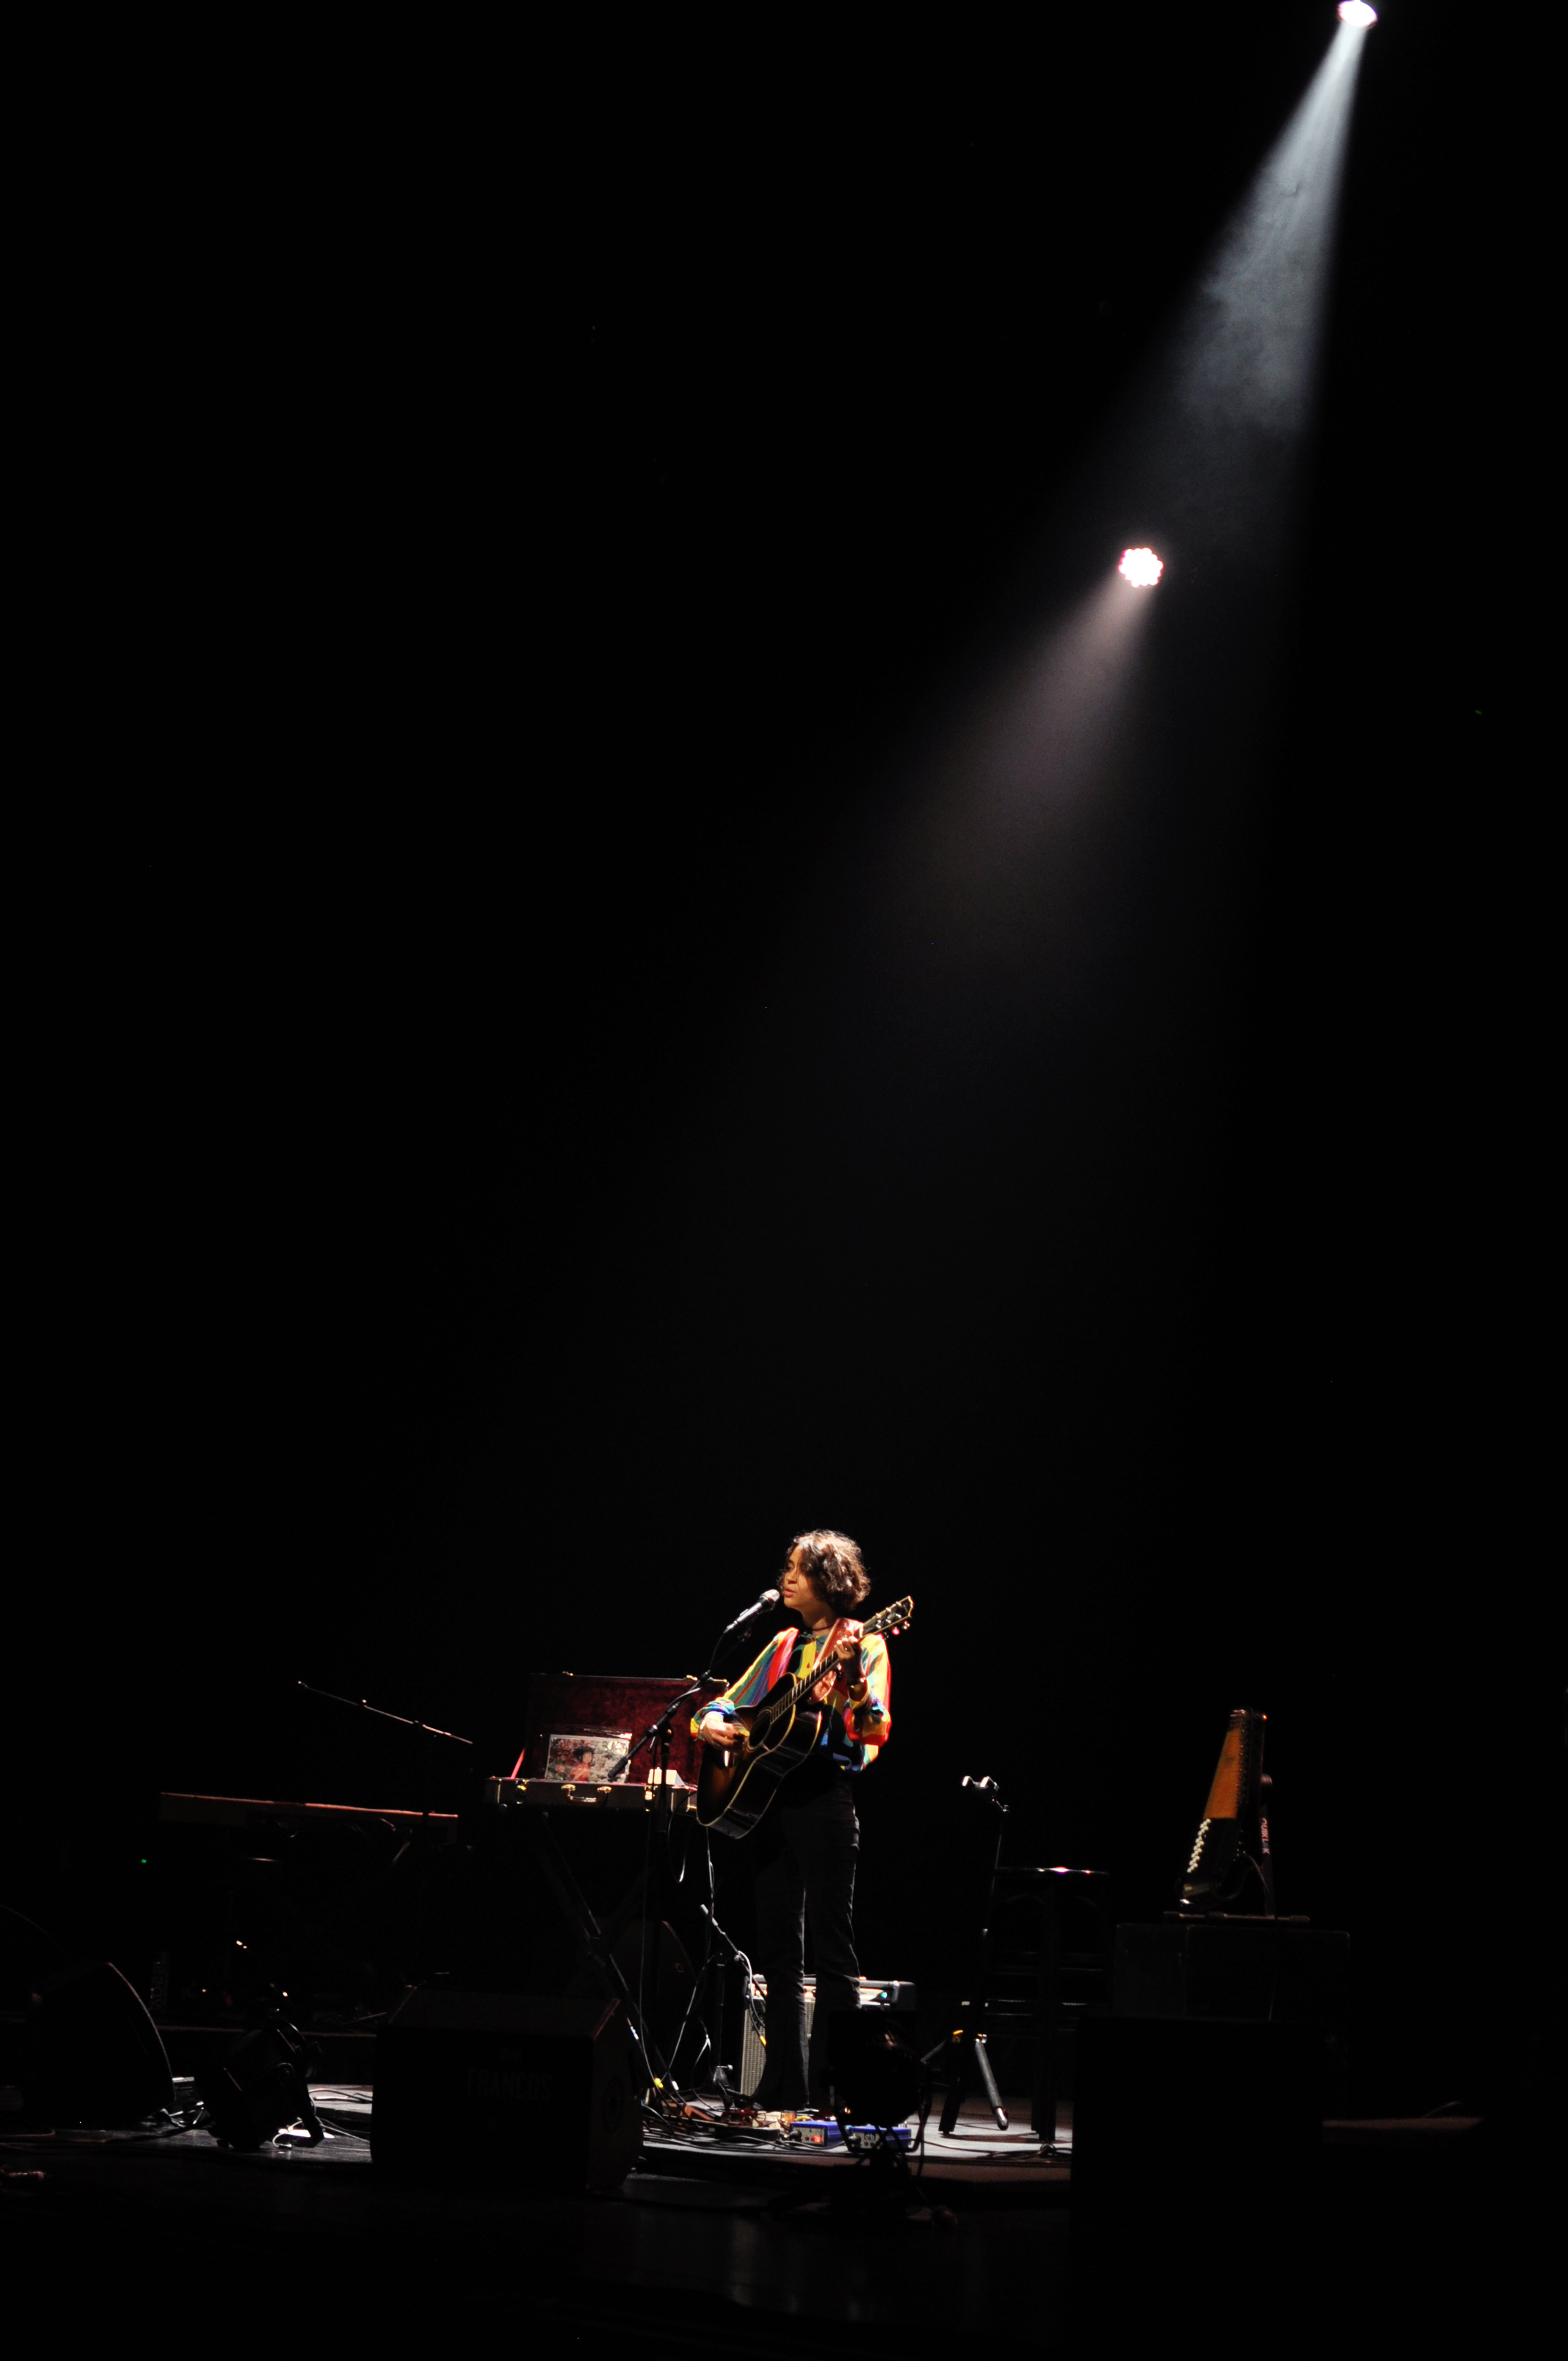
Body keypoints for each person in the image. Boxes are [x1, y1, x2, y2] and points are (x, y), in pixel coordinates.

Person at [694, 1528, 893, 2114]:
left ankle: (835, 2094)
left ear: (827, 1581)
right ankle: (782, 2087)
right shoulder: (783, 1644)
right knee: (779, 1956)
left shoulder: (864, 1641)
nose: (786, 1577)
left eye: (798, 1569)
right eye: (788, 1567)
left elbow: (873, 1730)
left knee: (834, 1953)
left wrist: (854, 1679)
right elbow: (726, 1701)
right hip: (771, 1803)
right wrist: (711, 1722)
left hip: (825, 1799)